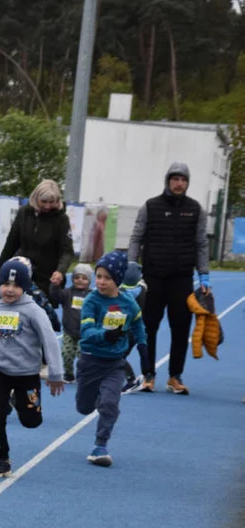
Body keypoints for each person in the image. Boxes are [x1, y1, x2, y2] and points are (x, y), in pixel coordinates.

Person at [0, 258, 65, 478]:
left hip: (27, 374)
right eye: (5, 284)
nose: (10, 290)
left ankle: (17, 400)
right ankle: (1, 459)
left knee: (31, 421)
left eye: (16, 285)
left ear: (24, 286)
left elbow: (50, 340)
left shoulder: (33, 311)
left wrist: (55, 373)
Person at [127, 163, 210, 395]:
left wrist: (204, 274)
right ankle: (148, 375)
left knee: (181, 328)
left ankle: (175, 376)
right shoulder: (150, 206)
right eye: (175, 179)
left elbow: (202, 243)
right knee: (148, 327)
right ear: (168, 180)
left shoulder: (196, 210)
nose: (179, 183)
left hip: (182, 278)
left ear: (188, 183)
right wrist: (131, 268)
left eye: (183, 179)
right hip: (153, 276)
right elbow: (136, 237)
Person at [76, 251, 147, 467]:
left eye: (107, 278)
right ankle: (94, 399)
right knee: (85, 408)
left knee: (110, 403)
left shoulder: (128, 303)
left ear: (117, 279)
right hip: (90, 361)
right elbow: (86, 331)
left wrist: (144, 350)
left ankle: (100, 446)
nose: (101, 282)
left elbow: (138, 326)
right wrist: (105, 335)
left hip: (114, 363)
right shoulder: (91, 301)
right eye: (98, 276)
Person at [0, 179, 74, 296]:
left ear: (58, 201)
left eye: (51, 202)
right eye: (44, 201)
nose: (47, 206)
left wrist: (60, 271)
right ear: (36, 198)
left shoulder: (62, 219)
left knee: (40, 311)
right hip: (23, 271)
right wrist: (0, 266)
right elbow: (12, 242)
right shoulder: (24, 213)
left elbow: (67, 251)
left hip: (47, 276)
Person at [48, 263, 93, 384]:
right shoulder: (67, 293)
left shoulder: (92, 295)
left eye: (84, 278)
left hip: (85, 333)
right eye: (77, 277)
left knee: (82, 356)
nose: (80, 280)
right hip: (69, 331)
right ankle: (68, 374)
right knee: (66, 354)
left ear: (89, 280)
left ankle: (84, 374)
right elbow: (55, 296)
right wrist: (55, 286)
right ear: (72, 279)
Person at [120, 261, 152, 393]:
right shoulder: (143, 290)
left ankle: (131, 379)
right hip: (138, 329)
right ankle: (147, 373)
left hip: (127, 329)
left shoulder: (122, 292)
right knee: (141, 351)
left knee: (117, 356)